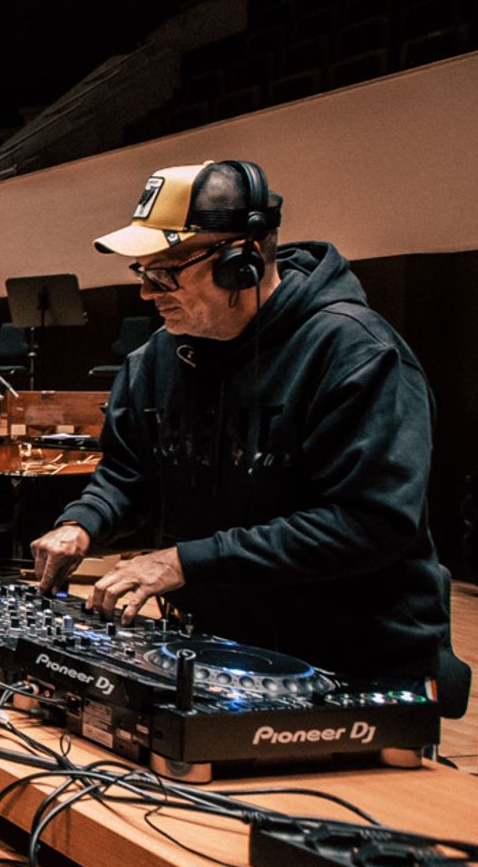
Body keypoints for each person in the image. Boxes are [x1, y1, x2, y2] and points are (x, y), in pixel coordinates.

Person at [29, 160, 454, 680]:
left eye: (167, 270)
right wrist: (83, 523)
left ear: (241, 262)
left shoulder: (357, 353)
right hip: (218, 647)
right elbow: (128, 474)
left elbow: (368, 524)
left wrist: (184, 562)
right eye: (142, 271)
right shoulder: (156, 360)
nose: (147, 291)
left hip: (356, 659)